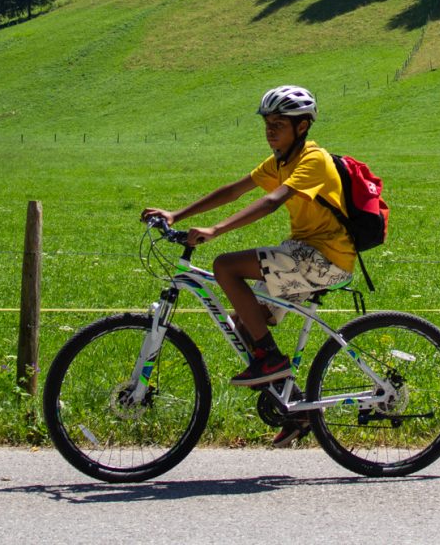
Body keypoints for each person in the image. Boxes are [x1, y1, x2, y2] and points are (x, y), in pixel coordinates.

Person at [141, 85, 356, 441]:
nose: (270, 129)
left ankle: (270, 360)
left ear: (302, 127)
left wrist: (216, 229)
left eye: (279, 123)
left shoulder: (313, 160)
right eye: (267, 122)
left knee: (226, 267)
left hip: (325, 258)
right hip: (303, 253)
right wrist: (176, 214)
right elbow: (233, 190)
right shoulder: (280, 161)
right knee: (245, 324)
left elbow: (272, 201)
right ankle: (296, 409)